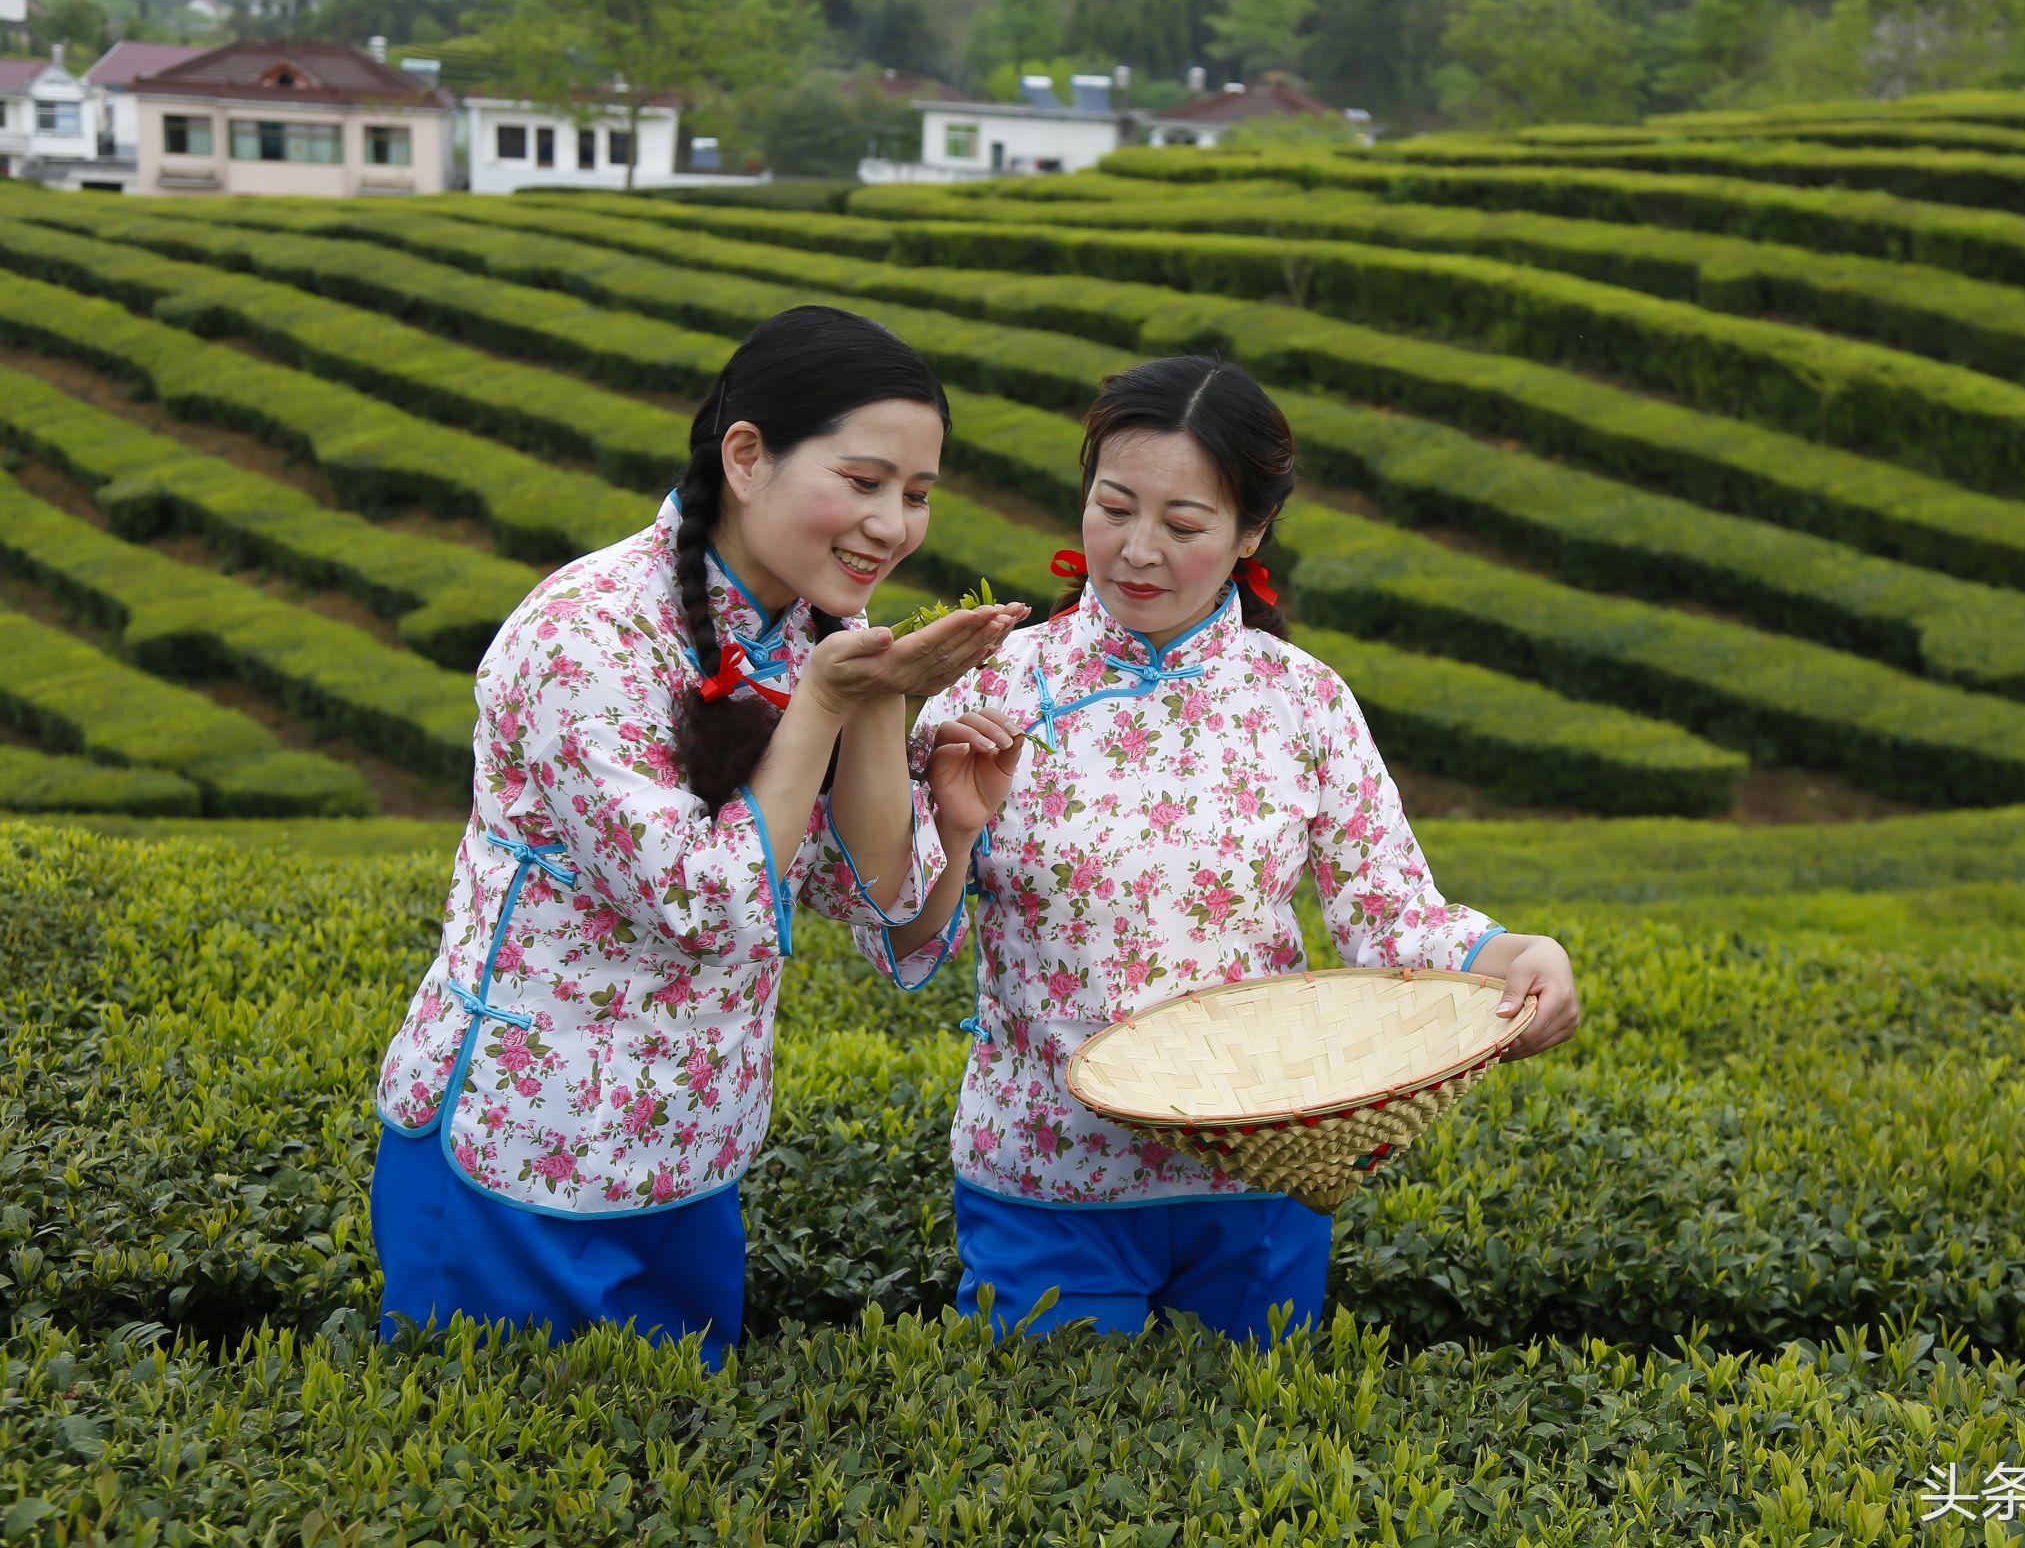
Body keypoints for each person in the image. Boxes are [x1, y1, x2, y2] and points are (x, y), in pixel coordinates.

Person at [370, 305, 1028, 1370]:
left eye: (915, 496)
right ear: (746, 455)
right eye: (862, 483)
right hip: (521, 1152)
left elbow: (889, 925)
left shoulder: (815, 632)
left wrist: (914, 760)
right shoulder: (584, 636)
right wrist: (826, 702)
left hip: (692, 1157)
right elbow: (705, 905)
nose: (893, 525)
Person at [879, 355, 1581, 1342]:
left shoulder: (1301, 699)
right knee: (1048, 1471)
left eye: (1184, 524)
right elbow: (904, 943)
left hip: (1259, 1186)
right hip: (1046, 1180)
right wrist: (950, 823)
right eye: (1113, 506)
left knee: (1250, 1474)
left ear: (1249, 533)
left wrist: (1522, 959)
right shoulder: (993, 690)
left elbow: (1395, 918)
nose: (1136, 550)